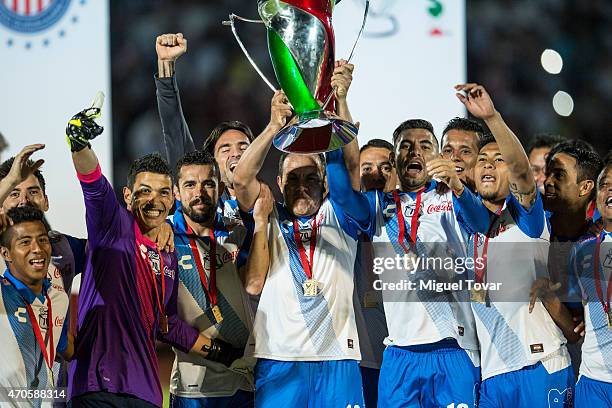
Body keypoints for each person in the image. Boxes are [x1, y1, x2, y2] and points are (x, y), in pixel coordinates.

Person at [64, 98, 240, 407]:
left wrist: (220, 352)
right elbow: (93, 184)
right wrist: (79, 142)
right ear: (128, 195)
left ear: (172, 198)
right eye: (144, 191)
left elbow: (168, 324)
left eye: (162, 192)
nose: (153, 200)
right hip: (97, 387)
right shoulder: (112, 226)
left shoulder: (169, 255)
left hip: (146, 394)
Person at [233, 65, 369, 406]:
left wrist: (338, 102)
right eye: (293, 178)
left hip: (337, 359)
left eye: (311, 177)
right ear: (279, 184)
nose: (302, 185)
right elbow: (240, 181)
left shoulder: (338, 215)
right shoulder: (269, 212)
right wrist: (273, 127)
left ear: (324, 184)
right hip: (280, 360)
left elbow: (351, 168)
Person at [453, 83, 576, 407]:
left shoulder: (528, 219)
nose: (489, 164)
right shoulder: (464, 226)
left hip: (540, 365)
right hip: (494, 375)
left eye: (498, 159)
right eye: (482, 159)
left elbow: (522, 171)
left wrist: (492, 118)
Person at [355, 117, 489, 408]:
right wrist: (339, 130)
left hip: (455, 350)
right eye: (406, 146)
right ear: (394, 158)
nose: (415, 152)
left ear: (437, 156)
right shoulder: (378, 205)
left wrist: (455, 184)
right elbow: (342, 195)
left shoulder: (453, 198)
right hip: (399, 354)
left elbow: (481, 222)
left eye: (425, 145)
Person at [166, 149, 254, 408]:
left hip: (243, 382)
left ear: (219, 188)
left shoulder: (238, 233)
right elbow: (162, 321)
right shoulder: (163, 237)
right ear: (176, 192)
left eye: (208, 184)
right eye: (190, 185)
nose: (199, 192)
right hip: (193, 389)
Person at [155, 33, 253, 232]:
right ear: (212, 166)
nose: (236, 153)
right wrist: (165, 65)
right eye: (225, 149)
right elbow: (174, 129)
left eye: (244, 147)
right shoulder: (201, 204)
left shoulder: (273, 207)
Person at [0, 206, 73, 407]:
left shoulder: (57, 298)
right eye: (25, 242)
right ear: (6, 253)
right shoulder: (2, 292)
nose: (37, 248)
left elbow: (63, 348)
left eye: (42, 240)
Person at [567, 162, 612, 407]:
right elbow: (575, 306)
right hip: (593, 381)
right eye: (604, 185)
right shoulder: (582, 251)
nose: (609, 191)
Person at [441, 117, 484, 191]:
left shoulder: (496, 197)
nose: (455, 157)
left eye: (465, 152)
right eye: (448, 151)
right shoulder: (428, 196)